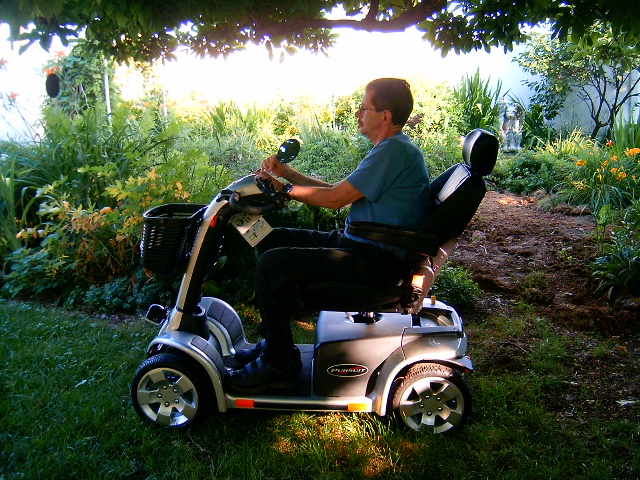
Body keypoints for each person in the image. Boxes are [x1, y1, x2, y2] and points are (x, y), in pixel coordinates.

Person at [226, 78, 431, 393]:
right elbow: (338, 191)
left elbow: (335, 199)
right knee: (271, 239)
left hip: (375, 260)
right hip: (362, 246)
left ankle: (278, 365)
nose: (358, 113)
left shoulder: (394, 152)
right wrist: (287, 175)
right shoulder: (392, 150)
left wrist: (287, 189)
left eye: (364, 108)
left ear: (386, 116)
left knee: (272, 263)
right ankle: (276, 346)